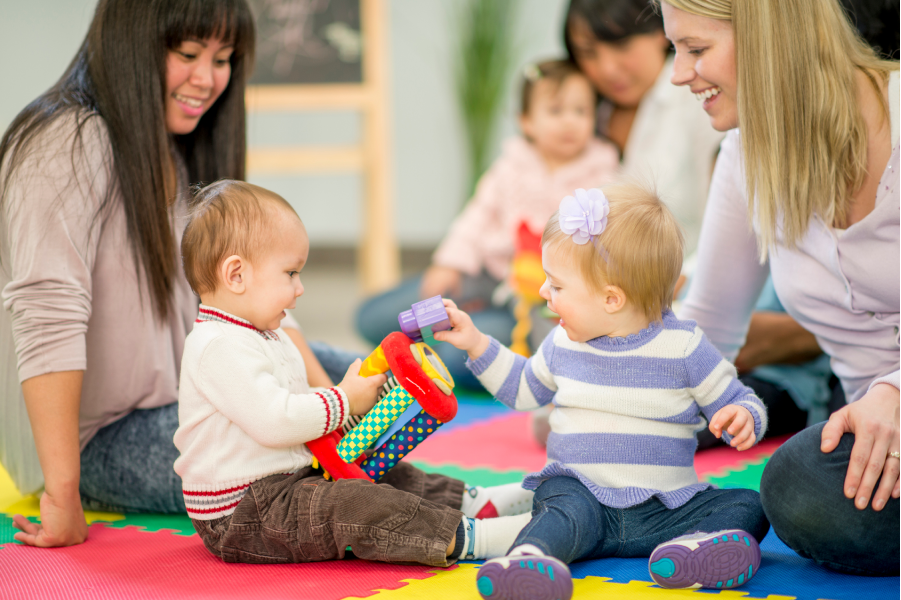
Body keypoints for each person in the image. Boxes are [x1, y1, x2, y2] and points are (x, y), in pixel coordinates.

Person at [0, 0, 349, 549]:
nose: (208, 79)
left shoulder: (181, 147)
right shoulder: (63, 142)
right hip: (105, 437)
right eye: (188, 53)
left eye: (224, 58)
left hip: (196, 388)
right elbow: (49, 319)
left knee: (365, 375)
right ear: (131, 45)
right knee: (316, 431)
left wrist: (329, 395)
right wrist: (62, 496)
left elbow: (259, 295)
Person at [173, 179, 533, 566]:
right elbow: (275, 421)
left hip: (285, 482)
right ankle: (470, 538)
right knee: (353, 503)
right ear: (236, 275)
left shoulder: (261, 334)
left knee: (385, 472)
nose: (300, 289)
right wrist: (344, 399)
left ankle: (477, 502)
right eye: (290, 273)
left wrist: (356, 409)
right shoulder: (216, 345)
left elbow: (296, 403)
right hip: (245, 513)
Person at [435, 186, 770, 600]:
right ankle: (529, 560)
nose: (543, 293)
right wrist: (475, 343)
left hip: (663, 511)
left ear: (611, 299)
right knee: (556, 507)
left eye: (556, 286)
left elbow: (739, 398)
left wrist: (743, 416)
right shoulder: (563, 344)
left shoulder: (684, 348)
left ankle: (689, 553)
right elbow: (523, 387)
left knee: (751, 503)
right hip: (583, 501)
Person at [661, 0, 899, 576]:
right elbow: (708, 329)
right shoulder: (746, 158)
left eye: (695, 50)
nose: (676, 73)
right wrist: (618, 398)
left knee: (796, 483)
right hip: (870, 434)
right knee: (800, 488)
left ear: (771, 38)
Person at [355, 60, 620, 388]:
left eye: (581, 111)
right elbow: (475, 216)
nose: (570, 122)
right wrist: (447, 265)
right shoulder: (510, 166)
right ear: (526, 121)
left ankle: (453, 341)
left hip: (535, 305)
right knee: (372, 318)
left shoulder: (603, 172)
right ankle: (447, 328)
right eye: (556, 110)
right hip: (482, 276)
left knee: (455, 357)